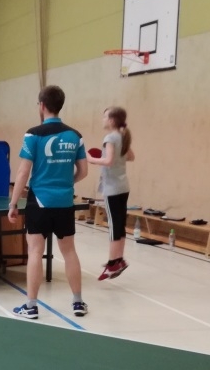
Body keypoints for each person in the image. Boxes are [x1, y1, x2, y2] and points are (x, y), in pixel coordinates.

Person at [7, 85, 89, 319]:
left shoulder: (33, 134)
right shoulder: (75, 136)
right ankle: (78, 302)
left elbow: (23, 172)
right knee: (69, 251)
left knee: (35, 251)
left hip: (39, 201)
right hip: (64, 201)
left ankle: (31, 306)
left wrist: (13, 203)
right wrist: (67, 182)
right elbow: (83, 171)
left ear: (42, 106)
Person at [87, 106, 135, 280]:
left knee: (114, 226)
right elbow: (131, 157)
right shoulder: (123, 136)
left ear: (112, 120)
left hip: (112, 188)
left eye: (105, 116)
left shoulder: (109, 137)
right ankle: (119, 259)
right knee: (120, 224)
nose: (103, 119)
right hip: (123, 186)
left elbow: (108, 161)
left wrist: (91, 159)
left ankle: (113, 263)